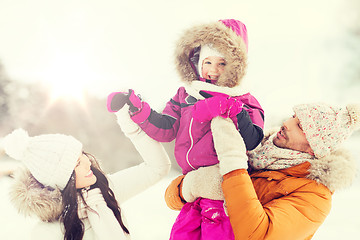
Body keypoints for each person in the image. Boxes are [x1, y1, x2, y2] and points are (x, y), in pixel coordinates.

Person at [107, 19, 264, 239]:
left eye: (222, 64)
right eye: (208, 62)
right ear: (198, 61)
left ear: (235, 66)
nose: (213, 71)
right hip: (193, 188)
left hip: (223, 191)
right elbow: (167, 128)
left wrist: (230, 108)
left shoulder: (243, 98)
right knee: (182, 233)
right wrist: (138, 109)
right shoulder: (186, 94)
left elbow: (253, 139)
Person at [165, 102, 360, 240]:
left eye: (301, 126)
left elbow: (257, 234)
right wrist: (189, 186)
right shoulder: (254, 151)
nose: (287, 123)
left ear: (314, 148)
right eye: (294, 116)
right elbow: (171, 199)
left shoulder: (315, 197)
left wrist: (234, 170)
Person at [1, 106, 171, 240]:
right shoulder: (46, 233)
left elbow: (158, 168)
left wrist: (131, 126)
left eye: (83, 154)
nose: (88, 162)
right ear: (62, 180)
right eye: (77, 163)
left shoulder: (105, 191)